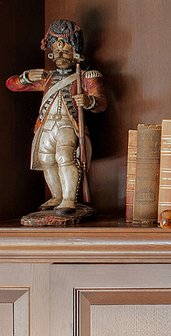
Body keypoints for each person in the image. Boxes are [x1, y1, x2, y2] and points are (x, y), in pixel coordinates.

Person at [6, 20, 106, 218]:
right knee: (45, 159)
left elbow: (101, 103)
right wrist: (27, 77)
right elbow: (12, 84)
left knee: (64, 157)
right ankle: (57, 196)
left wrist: (88, 101)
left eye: (65, 51)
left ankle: (69, 198)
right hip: (46, 125)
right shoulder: (46, 78)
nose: (60, 55)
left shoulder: (87, 76)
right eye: (57, 51)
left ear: (75, 52)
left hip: (68, 125)